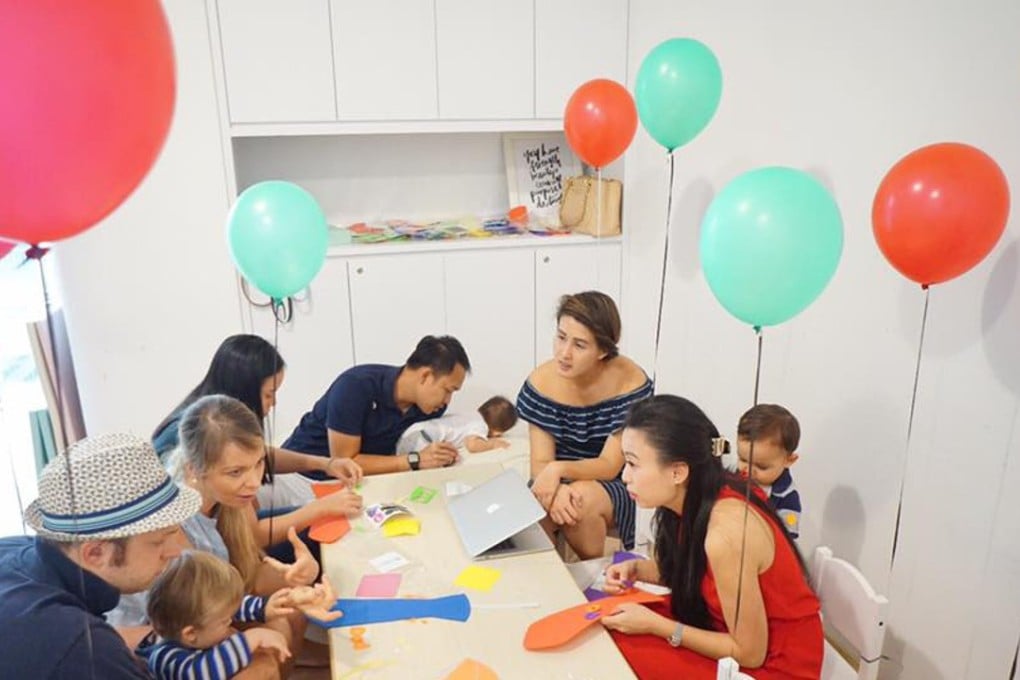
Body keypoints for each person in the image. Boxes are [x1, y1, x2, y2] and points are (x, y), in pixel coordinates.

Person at [0, 433, 280, 679]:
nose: (175, 552)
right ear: (95, 553)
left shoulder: (18, 550)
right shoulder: (82, 647)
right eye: (158, 542)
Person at [599, 395, 822, 680]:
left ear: (678, 471)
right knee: (610, 629)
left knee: (615, 653)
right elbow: (705, 579)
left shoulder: (726, 535)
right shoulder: (703, 496)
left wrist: (658, 627)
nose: (624, 476)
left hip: (773, 665)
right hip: (722, 630)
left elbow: (750, 653)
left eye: (632, 464)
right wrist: (639, 569)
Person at [516, 291, 652, 559]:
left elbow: (609, 465)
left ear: (603, 350)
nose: (564, 353)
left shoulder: (629, 382)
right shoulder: (541, 383)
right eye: (561, 337)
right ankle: (551, 586)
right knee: (533, 510)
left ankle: (594, 576)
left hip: (615, 480)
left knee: (580, 502)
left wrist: (558, 470)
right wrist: (556, 486)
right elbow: (540, 463)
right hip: (555, 479)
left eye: (579, 345)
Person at [152, 334, 362, 488]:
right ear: (243, 390)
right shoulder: (200, 430)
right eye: (269, 394)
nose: (274, 403)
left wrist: (324, 464)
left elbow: (259, 452)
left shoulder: (216, 417)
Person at [281, 335, 470, 495]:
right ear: (425, 376)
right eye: (448, 390)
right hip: (301, 478)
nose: (447, 401)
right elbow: (344, 463)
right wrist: (415, 460)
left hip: (359, 484)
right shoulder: (356, 385)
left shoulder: (430, 407)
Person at [144, 550, 339, 680]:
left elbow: (235, 606)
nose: (230, 621)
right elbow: (202, 670)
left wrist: (267, 606)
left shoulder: (190, 619)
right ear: (190, 634)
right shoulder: (165, 657)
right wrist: (250, 639)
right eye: (224, 621)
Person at [736, 404, 803, 539]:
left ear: (789, 460)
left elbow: (787, 538)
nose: (748, 471)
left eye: (761, 466)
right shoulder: (733, 479)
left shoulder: (787, 498)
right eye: (743, 459)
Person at [395, 395, 517, 455]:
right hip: (426, 441)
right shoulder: (480, 426)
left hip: (412, 432)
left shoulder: (469, 415)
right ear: (497, 432)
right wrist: (493, 444)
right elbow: (473, 445)